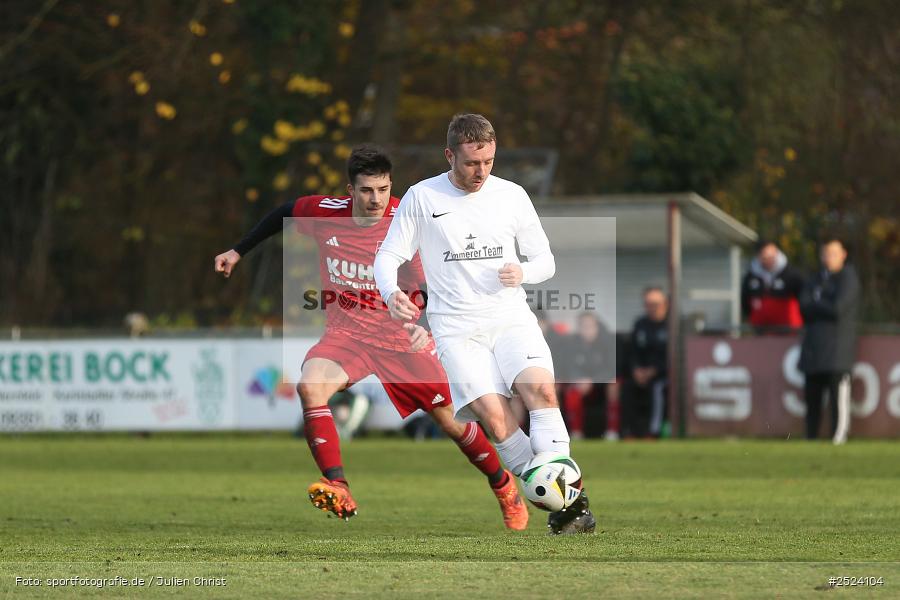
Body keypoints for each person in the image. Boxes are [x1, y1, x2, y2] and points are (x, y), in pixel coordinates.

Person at [213, 145, 528, 530]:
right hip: (347, 336)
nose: (375, 198)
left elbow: (430, 282)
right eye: (366, 190)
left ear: (390, 185)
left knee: (453, 422)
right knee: (310, 387)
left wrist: (421, 321)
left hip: (399, 340)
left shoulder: (406, 219)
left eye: (382, 189)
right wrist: (237, 251)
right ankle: (338, 484)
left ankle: (503, 485)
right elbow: (283, 213)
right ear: (351, 189)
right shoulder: (326, 213)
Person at [374, 114, 596, 535]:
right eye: (472, 162)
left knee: (542, 392)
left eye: (489, 162)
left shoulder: (511, 196)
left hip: (510, 318)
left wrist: (524, 273)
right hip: (456, 330)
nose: (481, 172)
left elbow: (545, 261)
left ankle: (565, 503)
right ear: (449, 155)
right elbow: (387, 256)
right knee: (495, 422)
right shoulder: (421, 198)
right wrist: (391, 294)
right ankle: (571, 501)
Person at [798, 237, 860, 444]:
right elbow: (803, 306)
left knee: (837, 399)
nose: (829, 258)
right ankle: (811, 438)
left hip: (837, 353)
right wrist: (821, 304)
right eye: (825, 253)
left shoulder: (848, 278)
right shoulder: (815, 279)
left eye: (834, 253)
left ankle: (838, 439)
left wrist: (817, 302)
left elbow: (838, 309)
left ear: (843, 254)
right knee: (812, 401)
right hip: (814, 351)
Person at [561, 312, 619, 440]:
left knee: (614, 384)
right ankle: (576, 432)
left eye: (590, 326)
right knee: (571, 391)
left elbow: (611, 369)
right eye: (583, 326)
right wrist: (579, 379)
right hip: (582, 385)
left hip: (601, 384)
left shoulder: (607, 343)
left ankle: (612, 431)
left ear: (596, 326)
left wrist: (593, 380)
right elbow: (569, 367)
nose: (586, 330)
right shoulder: (572, 344)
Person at [624, 286, 668, 438]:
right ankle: (630, 431)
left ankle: (653, 432)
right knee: (627, 387)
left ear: (665, 304)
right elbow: (633, 352)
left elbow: (673, 356)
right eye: (648, 304)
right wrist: (636, 369)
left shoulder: (673, 325)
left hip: (663, 374)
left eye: (655, 304)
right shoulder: (640, 324)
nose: (652, 308)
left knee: (658, 389)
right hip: (641, 373)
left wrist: (654, 370)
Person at [741, 240, 805, 331]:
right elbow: (745, 302)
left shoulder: (791, 275)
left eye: (771, 257)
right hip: (761, 331)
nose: (769, 260)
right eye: (765, 257)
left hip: (789, 330)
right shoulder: (751, 277)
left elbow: (803, 299)